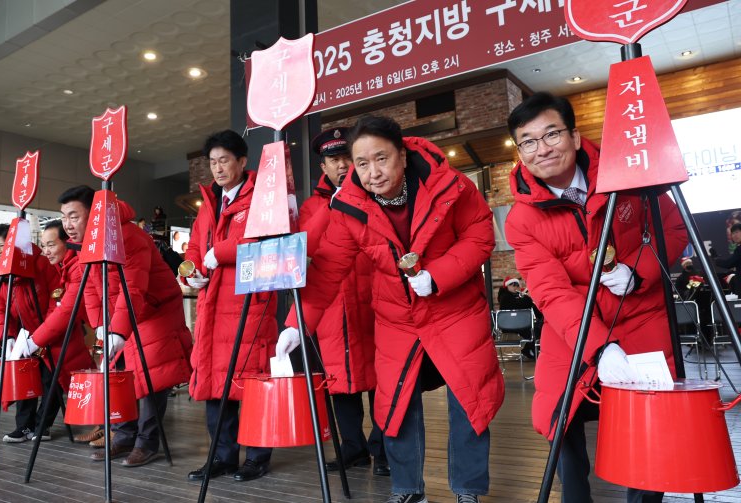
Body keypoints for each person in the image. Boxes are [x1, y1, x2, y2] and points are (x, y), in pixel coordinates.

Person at [277, 115, 504, 503]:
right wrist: (298, 325)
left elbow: (481, 233)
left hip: (456, 310)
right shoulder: (348, 206)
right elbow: (330, 267)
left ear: (401, 153)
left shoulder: (450, 184)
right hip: (396, 316)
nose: (372, 172)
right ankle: (407, 489)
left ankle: (468, 491)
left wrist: (438, 275)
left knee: (470, 399)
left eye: (381, 159)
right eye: (362, 163)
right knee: (396, 403)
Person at [503, 92, 688, 503]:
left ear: (573, 134)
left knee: (648, 417)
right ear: (521, 151)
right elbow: (549, 290)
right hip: (575, 328)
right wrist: (599, 347)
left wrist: (639, 271)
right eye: (528, 141)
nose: (542, 148)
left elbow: (674, 230)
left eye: (551, 133)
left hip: (641, 313)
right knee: (559, 414)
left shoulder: (627, 175)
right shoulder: (521, 218)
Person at [58, 185, 193, 468]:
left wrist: (117, 331)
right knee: (119, 373)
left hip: (155, 310)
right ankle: (123, 435)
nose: (67, 225)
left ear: (94, 214)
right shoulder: (88, 245)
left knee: (151, 377)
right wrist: (101, 328)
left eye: (74, 216)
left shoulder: (129, 235)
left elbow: (133, 289)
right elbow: (92, 293)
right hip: (124, 314)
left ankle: (147, 442)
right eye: (64, 217)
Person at [183, 129, 278, 483]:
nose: (218, 168)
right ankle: (222, 456)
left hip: (249, 305)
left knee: (251, 383)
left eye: (225, 160)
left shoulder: (261, 198)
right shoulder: (209, 203)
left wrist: (218, 253)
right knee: (215, 387)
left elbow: (265, 239)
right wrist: (189, 271)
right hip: (211, 306)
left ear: (242, 161)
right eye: (213, 162)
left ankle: (257, 457)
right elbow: (194, 247)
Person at [300, 127, 388, 476]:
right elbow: (306, 244)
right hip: (334, 307)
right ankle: (352, 448)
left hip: (377, 302)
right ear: (323, 167)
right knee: (342, 384)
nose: (343, 165)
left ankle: (383, 450)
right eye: (334, 160)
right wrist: (336, 202)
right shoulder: (312, 206)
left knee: (384, 381)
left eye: (348, 158)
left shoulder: (378, 195)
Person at [11, 220, 96, 441]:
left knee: (59, 380)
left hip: (60, 333)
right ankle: (108, 426)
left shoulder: (73, 266)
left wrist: (37, 338)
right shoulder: (59, 266)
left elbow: (64, 308)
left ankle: (114, 428)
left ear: (67, 242)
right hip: (42, 333)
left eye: (51, 244)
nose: (46, 251)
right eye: (43, 245)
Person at [0, 223, 63, 443]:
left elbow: (56, 298)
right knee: (23, 379)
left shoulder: (40, 263)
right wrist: (7, 337)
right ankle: (24, 426)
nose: (0, 251)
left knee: (51, 380)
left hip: (50, 331)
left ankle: (42, 425)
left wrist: (44, 333)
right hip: (21, 335)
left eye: (4, 245)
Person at [496, 276, 543, 359]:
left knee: (538, 327)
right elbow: (517, 305)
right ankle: (530, 351)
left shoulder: (519, 297)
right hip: (510, 324)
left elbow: (529, 306)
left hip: (520, 323)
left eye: (517, 285)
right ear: (507, 286)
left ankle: (530, 350)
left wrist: (540, 316)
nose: (515, 287)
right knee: (534, 330)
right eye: (512, 284)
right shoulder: (504, 297)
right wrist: (527, 298)